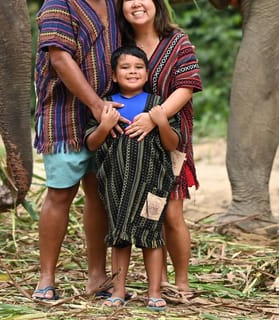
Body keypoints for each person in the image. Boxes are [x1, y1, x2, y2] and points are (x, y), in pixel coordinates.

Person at [32, 0, 127, 300]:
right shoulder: (58, 5)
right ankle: (46, 278)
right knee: (60, 193)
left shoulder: (113, 4)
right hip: (65, 116)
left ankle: (97, 276)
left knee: (99, 193)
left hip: (107, 116)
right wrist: (96, 105)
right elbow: (60, 59)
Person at [85, 46, 183, 311]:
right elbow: (92, 144)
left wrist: (161, 121)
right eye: (125, 67)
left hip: (152, 185)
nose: (132, 72)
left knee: (151, 237)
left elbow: (173, 143)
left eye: (138, 67)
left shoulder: (157, 104)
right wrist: (105, 126)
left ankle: (154, 292)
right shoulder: (106, 105)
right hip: (115, 185)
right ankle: (118, 290)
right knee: (119, 236)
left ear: (147, 73)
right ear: (114, 75)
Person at [116, 0, 203, 297]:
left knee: (172, 212)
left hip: (171, 139)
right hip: (132, 147)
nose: (137, 4)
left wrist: (158, 117)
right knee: (148, 211)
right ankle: (159, 281)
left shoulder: (177, 41)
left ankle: (181, 282)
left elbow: (187, 85)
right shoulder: (121, 42)